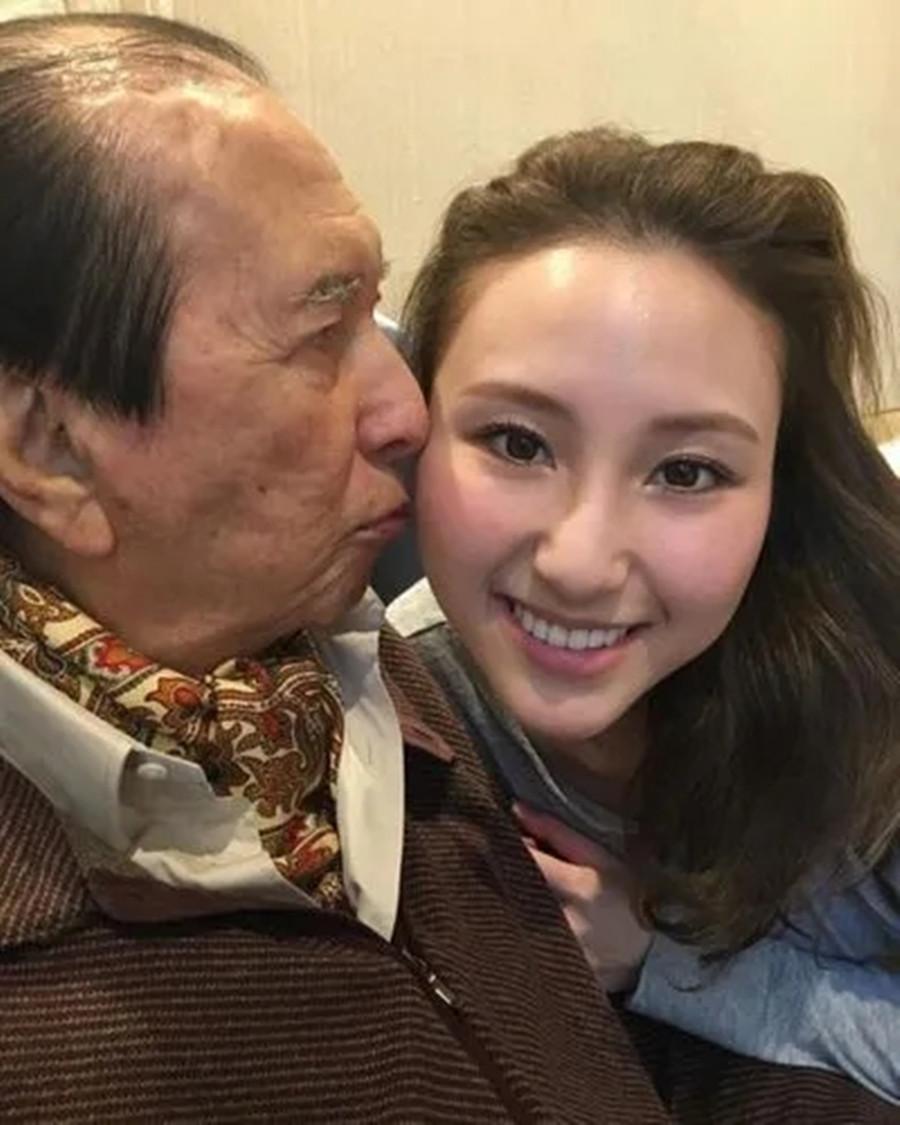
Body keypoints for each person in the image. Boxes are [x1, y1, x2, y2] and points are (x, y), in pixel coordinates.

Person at [0, 15, 685, 1121]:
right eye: (322, 335)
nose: (408, 411)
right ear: (51, 450)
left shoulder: (356, 666)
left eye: (377, 314)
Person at [388, 125, 900, 1107]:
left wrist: (664, 965)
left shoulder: (875, 674)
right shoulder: (406, 706)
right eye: (517, 443)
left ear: (781, 483)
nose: (579, 564)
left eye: (687, 471)